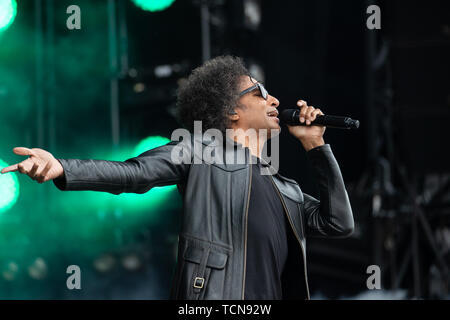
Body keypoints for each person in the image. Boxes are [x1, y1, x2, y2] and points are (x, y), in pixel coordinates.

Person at [1, 55, 354, 300]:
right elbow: (134, 174)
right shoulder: (200, 151)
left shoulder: (286, 191)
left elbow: (338, 223)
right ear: (230, 110)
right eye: (259, 92)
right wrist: (62, 167)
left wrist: (316, 145)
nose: (274, 98)